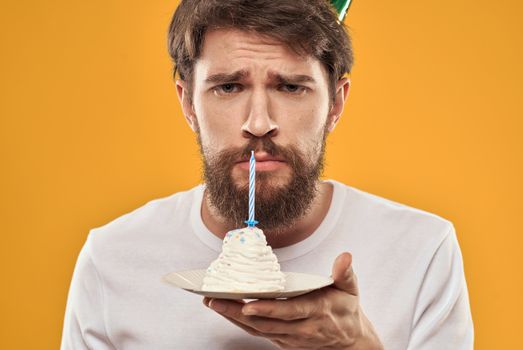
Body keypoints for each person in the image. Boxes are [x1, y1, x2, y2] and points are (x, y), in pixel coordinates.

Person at [61, 0, 474, 349]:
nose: (259, 124)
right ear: (188, 103)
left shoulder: (422, 251)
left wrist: (360, 346)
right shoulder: (112, 259)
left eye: (291, 88)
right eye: (228, 87)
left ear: (335, 104)